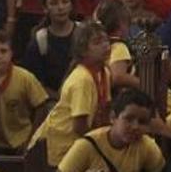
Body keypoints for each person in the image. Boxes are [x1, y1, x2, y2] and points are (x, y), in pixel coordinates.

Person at [29, 20, 113, 166]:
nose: (105, 45)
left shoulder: (105, 72)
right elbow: (79, 126)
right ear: (83, 50)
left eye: (106, 40)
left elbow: (105, 110)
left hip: (75, 145)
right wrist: (102, 146)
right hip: (54, 150)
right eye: (97, 42)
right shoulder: (82, 79)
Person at [0, 30, 49, 153]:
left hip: (18, 144)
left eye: (3, 51)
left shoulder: (25, 77)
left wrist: (30, 141)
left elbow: (42, 107)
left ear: (11, 53)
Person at [58, 87, 165, 172]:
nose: (135, 126)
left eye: (142, 122)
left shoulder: (146, 146)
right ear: (113, 117)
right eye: (128, 119)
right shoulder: (86, 146)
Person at [20, 0, 79, 97]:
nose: (61, 7)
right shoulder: (40, 40)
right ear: (45, 8)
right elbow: (34, 83)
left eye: (65, 1)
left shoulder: (85, 34)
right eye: (54, 3)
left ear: (71, 5)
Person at [98, 1, 140, 89]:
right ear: (122, 25)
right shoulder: (119, 47)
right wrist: (141, 83)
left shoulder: (100, 45)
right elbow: (117, 77)